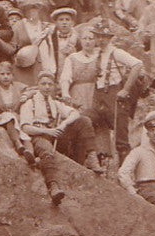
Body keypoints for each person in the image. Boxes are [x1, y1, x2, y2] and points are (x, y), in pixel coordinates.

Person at [18, 71, 96, 204]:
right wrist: (47, 131)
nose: (47, 87)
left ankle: (91, 158)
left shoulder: (54, 103)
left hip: (55, 135)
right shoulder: (30, 103)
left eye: (50, 84)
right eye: (43, 84)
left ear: (54, 86)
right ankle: (53, 186)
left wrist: (63, 125)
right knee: (46, 150)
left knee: (84, 121)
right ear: (38, 85)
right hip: (39, 135)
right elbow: (25, 127)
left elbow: (74, 113)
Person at [87, 16, 144, 164]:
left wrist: (125, 89)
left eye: (104, 37)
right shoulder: (96, 53)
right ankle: (101, 162)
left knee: (121, 136)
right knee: (91, 123)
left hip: (115, 95)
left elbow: (137, 64)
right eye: (98, 36)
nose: (101, 40)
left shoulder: (116, 52)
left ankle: (125, 170)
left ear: (110, 38)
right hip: (99, 96)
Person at [60, 26, 99, 111]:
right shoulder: (72, 58)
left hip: (96, 93)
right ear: (80, 40)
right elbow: (65, 78)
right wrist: (65, 93)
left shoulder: (99, 56)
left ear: (96, 40)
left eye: (91, 39)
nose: (87, 42)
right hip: (77, 93)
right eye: (84, 38)